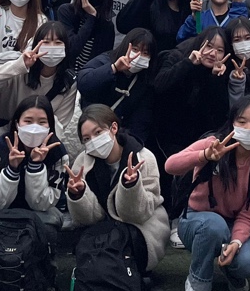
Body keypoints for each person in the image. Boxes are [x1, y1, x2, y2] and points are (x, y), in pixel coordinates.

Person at [165, 96, 250, 291]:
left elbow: (249, 216)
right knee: (214, 226)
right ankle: (197, 282)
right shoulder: (214, 143)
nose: (248, 128)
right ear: (232, 122)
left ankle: (229, 268)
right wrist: (204, 155)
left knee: (249, 262)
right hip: (196, 219)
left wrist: (236, 242)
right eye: (242, 121)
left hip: (232, 223)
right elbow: (171, 165)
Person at [66, 104, 171, 273]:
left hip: (141, 228)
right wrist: (78, 194)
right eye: (86, 139)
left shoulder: (144, 157)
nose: (93, 140)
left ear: (113, 128)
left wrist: (130, 186)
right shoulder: (82, 162)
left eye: (98, 132)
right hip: (101, 231)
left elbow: (138, 214)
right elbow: (87, 219)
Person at [0, 20, 82, 160]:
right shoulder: (19, 70)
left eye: (58, 43)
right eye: (46, 42)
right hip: (5, 139)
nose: (52, 47)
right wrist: (20, 65)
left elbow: (60, 124)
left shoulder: (68, 82)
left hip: (41, 146)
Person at [0, 95, 69, 230]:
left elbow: (42, 204)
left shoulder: (58, 153)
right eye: (28, 121)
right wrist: (12, 169)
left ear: (50, 125)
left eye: (42, 122)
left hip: (41, 214)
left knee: (49, 225)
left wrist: (35, 166)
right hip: (5, 213)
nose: (34, 128)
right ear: (17, 123)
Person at [151, 28, 235, 166]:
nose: (212, 53)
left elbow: (219, 115)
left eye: (220, 50)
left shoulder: (221, 72)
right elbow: (159, 85)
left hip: (198, 142)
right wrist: (188, 63)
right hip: (164, 136)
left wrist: (216, 79)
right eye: (209, 46)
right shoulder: (176, 56)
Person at [78, 29, 156, 145]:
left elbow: (141, 121)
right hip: (88, 127)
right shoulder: (105, 60)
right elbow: (84, 83)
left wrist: (127, 144)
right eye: (135, 49)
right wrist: (113, 68)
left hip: (117, 137)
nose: (138, 56)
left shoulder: (145, 82)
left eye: (145, 53)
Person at [61, 0, 121, 70]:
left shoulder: (107, 25)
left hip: (88, 75)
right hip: (65, 73)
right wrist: (91, 17)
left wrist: (93, 16)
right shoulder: (67, 11)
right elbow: (72, 49)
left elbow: (102, 60)